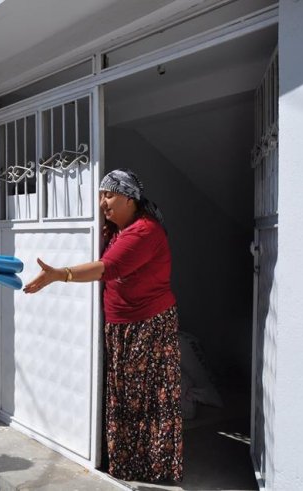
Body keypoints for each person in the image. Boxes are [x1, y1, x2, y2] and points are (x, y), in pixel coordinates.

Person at [23, 168, 182, 482]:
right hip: (123, 324)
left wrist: (60, 274)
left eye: (109, 195)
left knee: (147, 398)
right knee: (126, 397)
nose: (102, 203)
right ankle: (128, 464)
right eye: (100, 195)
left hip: (147, 324)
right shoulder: (116, 231)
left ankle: (154, 468)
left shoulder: (144, 232)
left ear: (129, 198)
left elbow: (108, 268)